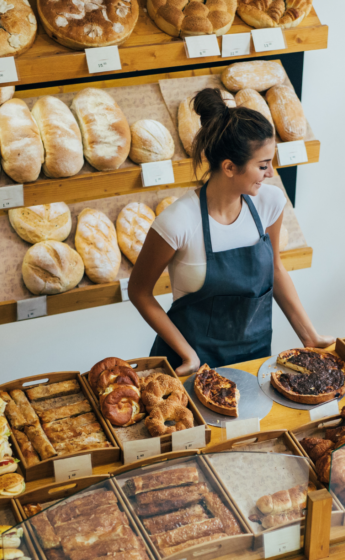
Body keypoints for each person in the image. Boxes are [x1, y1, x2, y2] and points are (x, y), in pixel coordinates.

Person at [129, 88, 332, 376]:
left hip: (253, 360)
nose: (271, 174)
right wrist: (187, 354)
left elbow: (275, 269)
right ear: (229, 167)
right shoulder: (178, 222)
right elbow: (138, 291)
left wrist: (310, 336)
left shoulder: (269, 203)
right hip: (189, 367)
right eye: (262, 165)